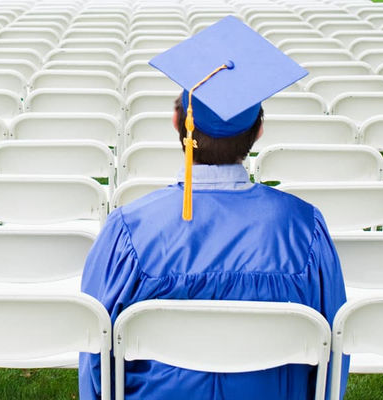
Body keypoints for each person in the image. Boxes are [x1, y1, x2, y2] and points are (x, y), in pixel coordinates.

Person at [79, 16, 348, 400]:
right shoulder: (304, 230)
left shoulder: (129, 230)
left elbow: (96, 355)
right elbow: (333, 354)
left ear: (177, 123)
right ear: (258, 131)